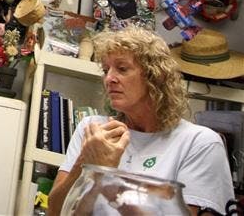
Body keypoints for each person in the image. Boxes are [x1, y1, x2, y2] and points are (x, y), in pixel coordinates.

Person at [47, 26, 234, 215]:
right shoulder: (93, 129)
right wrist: (83, 164)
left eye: (122, 68)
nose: (109, 78)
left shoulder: (200, 143)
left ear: (155, 75)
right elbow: (54, 211)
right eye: (106, 70)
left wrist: (104, 175)